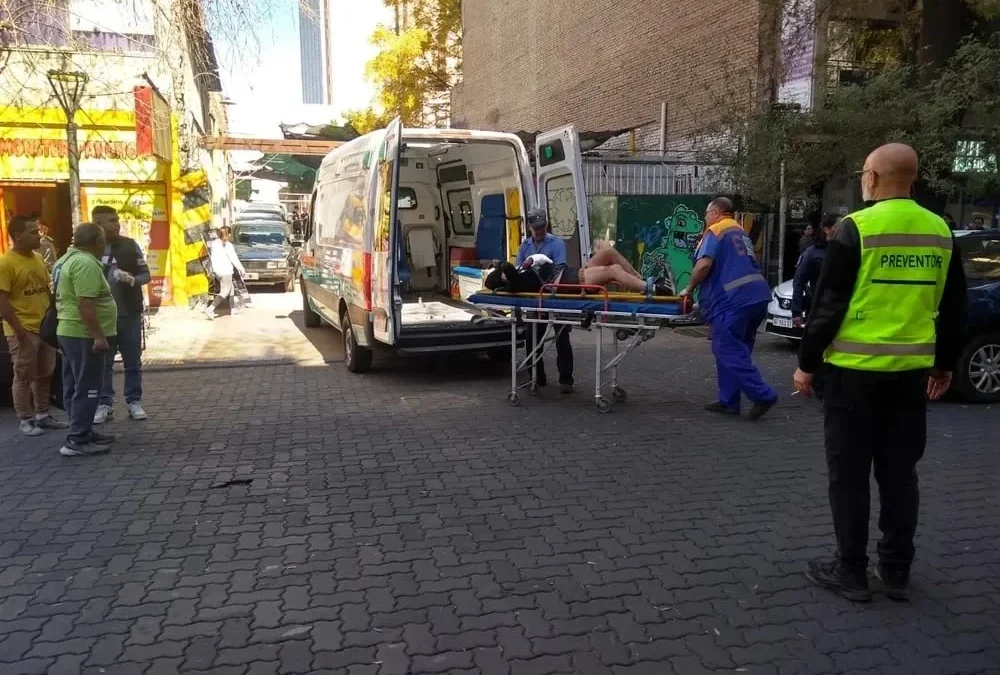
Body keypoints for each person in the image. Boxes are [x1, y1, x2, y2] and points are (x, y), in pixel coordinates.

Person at [794, 143, 967, 603]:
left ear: (871, 178)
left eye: (862, 173)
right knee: (900, 474)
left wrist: (807, 364)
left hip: (853, 375)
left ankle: (850, 570)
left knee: (849, 476)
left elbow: (827, 305)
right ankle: (895, 569)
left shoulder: (857, 228)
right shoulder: (940, 230)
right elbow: (954, 307)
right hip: (909, 377)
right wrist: (944, 365)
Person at [682, 197, 777, 420]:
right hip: (756, 297)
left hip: (732, 300)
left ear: (716, 212)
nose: (705, 218)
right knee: (737, 350)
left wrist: (688, 288)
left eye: (706, 214)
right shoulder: (740, 232)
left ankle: (763, 395)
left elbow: (704, 265)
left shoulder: (715, 231)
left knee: (726, 349)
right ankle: (729, 401)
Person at [55, 223, 118, 457]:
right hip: (82, 334)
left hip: (70, 331)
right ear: (98, 242)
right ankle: (77, 439)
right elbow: (85, 303)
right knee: (88, 387)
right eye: (103, 239)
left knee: (74, 385)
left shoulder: (66, 259)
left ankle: (82, 429)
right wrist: (98, 336)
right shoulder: (85, 263)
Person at [0, 215, 67, 436]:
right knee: (23, 376)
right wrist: (19, 331)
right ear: (18, 236)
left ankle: (43, 415)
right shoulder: (5, 263)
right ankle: (26, 420)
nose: (39, 236)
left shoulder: (37, 258)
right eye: (33, 232)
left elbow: (46, 289)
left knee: (45, 374)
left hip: (44, 328)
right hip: (23, 330)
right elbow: (2, 301)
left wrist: (53, 320)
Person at [92, 205, 150, 423]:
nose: (116, 224)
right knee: (103, 364)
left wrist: (133, 280)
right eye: (111, 221)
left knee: (132, 361)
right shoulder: (90, 249)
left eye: (117, 220)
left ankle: (134, 401)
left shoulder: (129, 245)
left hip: (129, 313)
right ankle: (104, 404)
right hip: (101, 317)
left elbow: (146, 274)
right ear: (98, 224)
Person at [204, 226, 247, 320]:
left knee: (231, 289)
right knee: (225, 291)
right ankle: (210, 309)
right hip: (226, 271)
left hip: (217, 271)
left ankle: (233, 310)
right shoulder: (228, 245)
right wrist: (242, 269)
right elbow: (234, 259)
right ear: (229, 235)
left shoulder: (214, 244)